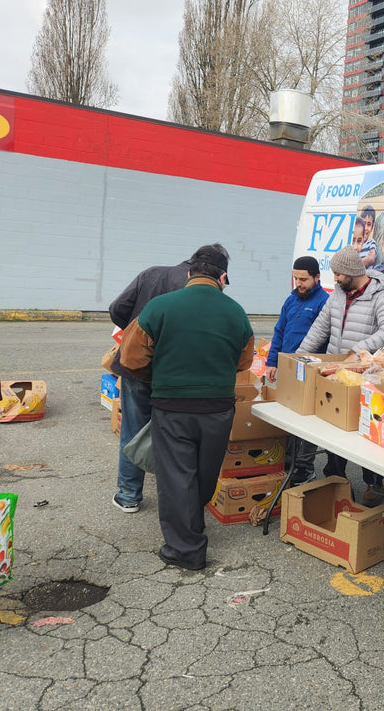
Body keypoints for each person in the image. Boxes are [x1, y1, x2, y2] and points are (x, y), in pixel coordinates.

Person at [119, 244, 254, 571]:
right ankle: (191, 526)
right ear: (222, 277)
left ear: (190, 272)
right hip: (219, 409)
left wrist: (160, 374)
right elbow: (244, 362)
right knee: (204, 474)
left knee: (177, 476)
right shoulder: (237, 313)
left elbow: (130, 358)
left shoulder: (160, 307)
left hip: (172, 407)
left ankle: (186, 549)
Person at [297, 245, 384, 506]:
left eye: (339, 274)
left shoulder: (381, 295)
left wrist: (359, 350)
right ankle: (336, 480)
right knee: (334, 429)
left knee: (367, 434)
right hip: (338, 375)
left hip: (368, 377)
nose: (336, 279)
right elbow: (320, 329)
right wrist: (297, 358)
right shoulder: (338, 295)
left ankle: (373, 483)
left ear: (353, 271)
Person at [108, 252, 194, 512]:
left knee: (132, 428)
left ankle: (129, 495)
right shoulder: (199, 287)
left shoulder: (151, 273)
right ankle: (172, 498)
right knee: (174, 434)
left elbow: (117, 308)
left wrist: (135, 332)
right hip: (173, 371)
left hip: (136, 365)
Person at [265, 256, 329, 486]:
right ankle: (288, 462)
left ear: (317, 277)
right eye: (295, 279)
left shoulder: (324, 302)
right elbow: (279, 332)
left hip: (309, 373)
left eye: (303, 279)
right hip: (287, 370)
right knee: (287, 419)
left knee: (306, 422)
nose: (299, 283)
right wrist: (272, 362)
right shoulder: (290, 301)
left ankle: (304, 468)